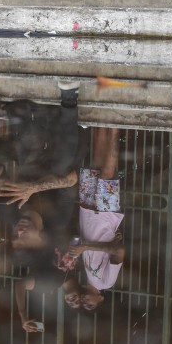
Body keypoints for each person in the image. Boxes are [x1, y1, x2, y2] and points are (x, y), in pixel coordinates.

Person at [63, 127, 126, 311]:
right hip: (105, 216)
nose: (85, 302)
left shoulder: (87, 276)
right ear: (100, 299)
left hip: (88, 212)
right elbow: (119, 252)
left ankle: (100, 123)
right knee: (108, 173)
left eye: (83, 305)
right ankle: (115, 129)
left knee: (95, 164)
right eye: (89, 305)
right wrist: (86, 247)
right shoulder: (106, 283)